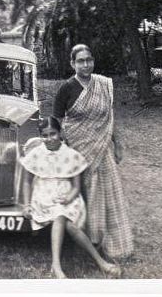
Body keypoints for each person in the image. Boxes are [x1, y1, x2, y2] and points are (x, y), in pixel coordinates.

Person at [53, 44, 134, 261]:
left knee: (107, 193)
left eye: (88, 60)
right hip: (77, 151)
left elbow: (110, 117)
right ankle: (86, 241)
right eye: (80, 61)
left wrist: (118, 143)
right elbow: (57, 123)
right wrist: (62, 153)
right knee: (83, 195)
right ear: (72, 64)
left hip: (102, 148)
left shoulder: (103, 84)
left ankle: (111, 241)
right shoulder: (66, 88)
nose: (85, 64)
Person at [19, 117, 121, 279]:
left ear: (60, 133)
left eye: (53, 134)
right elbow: (26, 181)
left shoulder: (71, 155)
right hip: (43, 198)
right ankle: (92, 263)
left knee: (67, 222)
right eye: (44, 135)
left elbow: (76, 186)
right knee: (61, 215)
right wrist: (26, 205)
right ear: (40, 136)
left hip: (68, 197)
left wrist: (69, 198)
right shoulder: (36, 154)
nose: (49, 138)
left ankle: (85, 263)